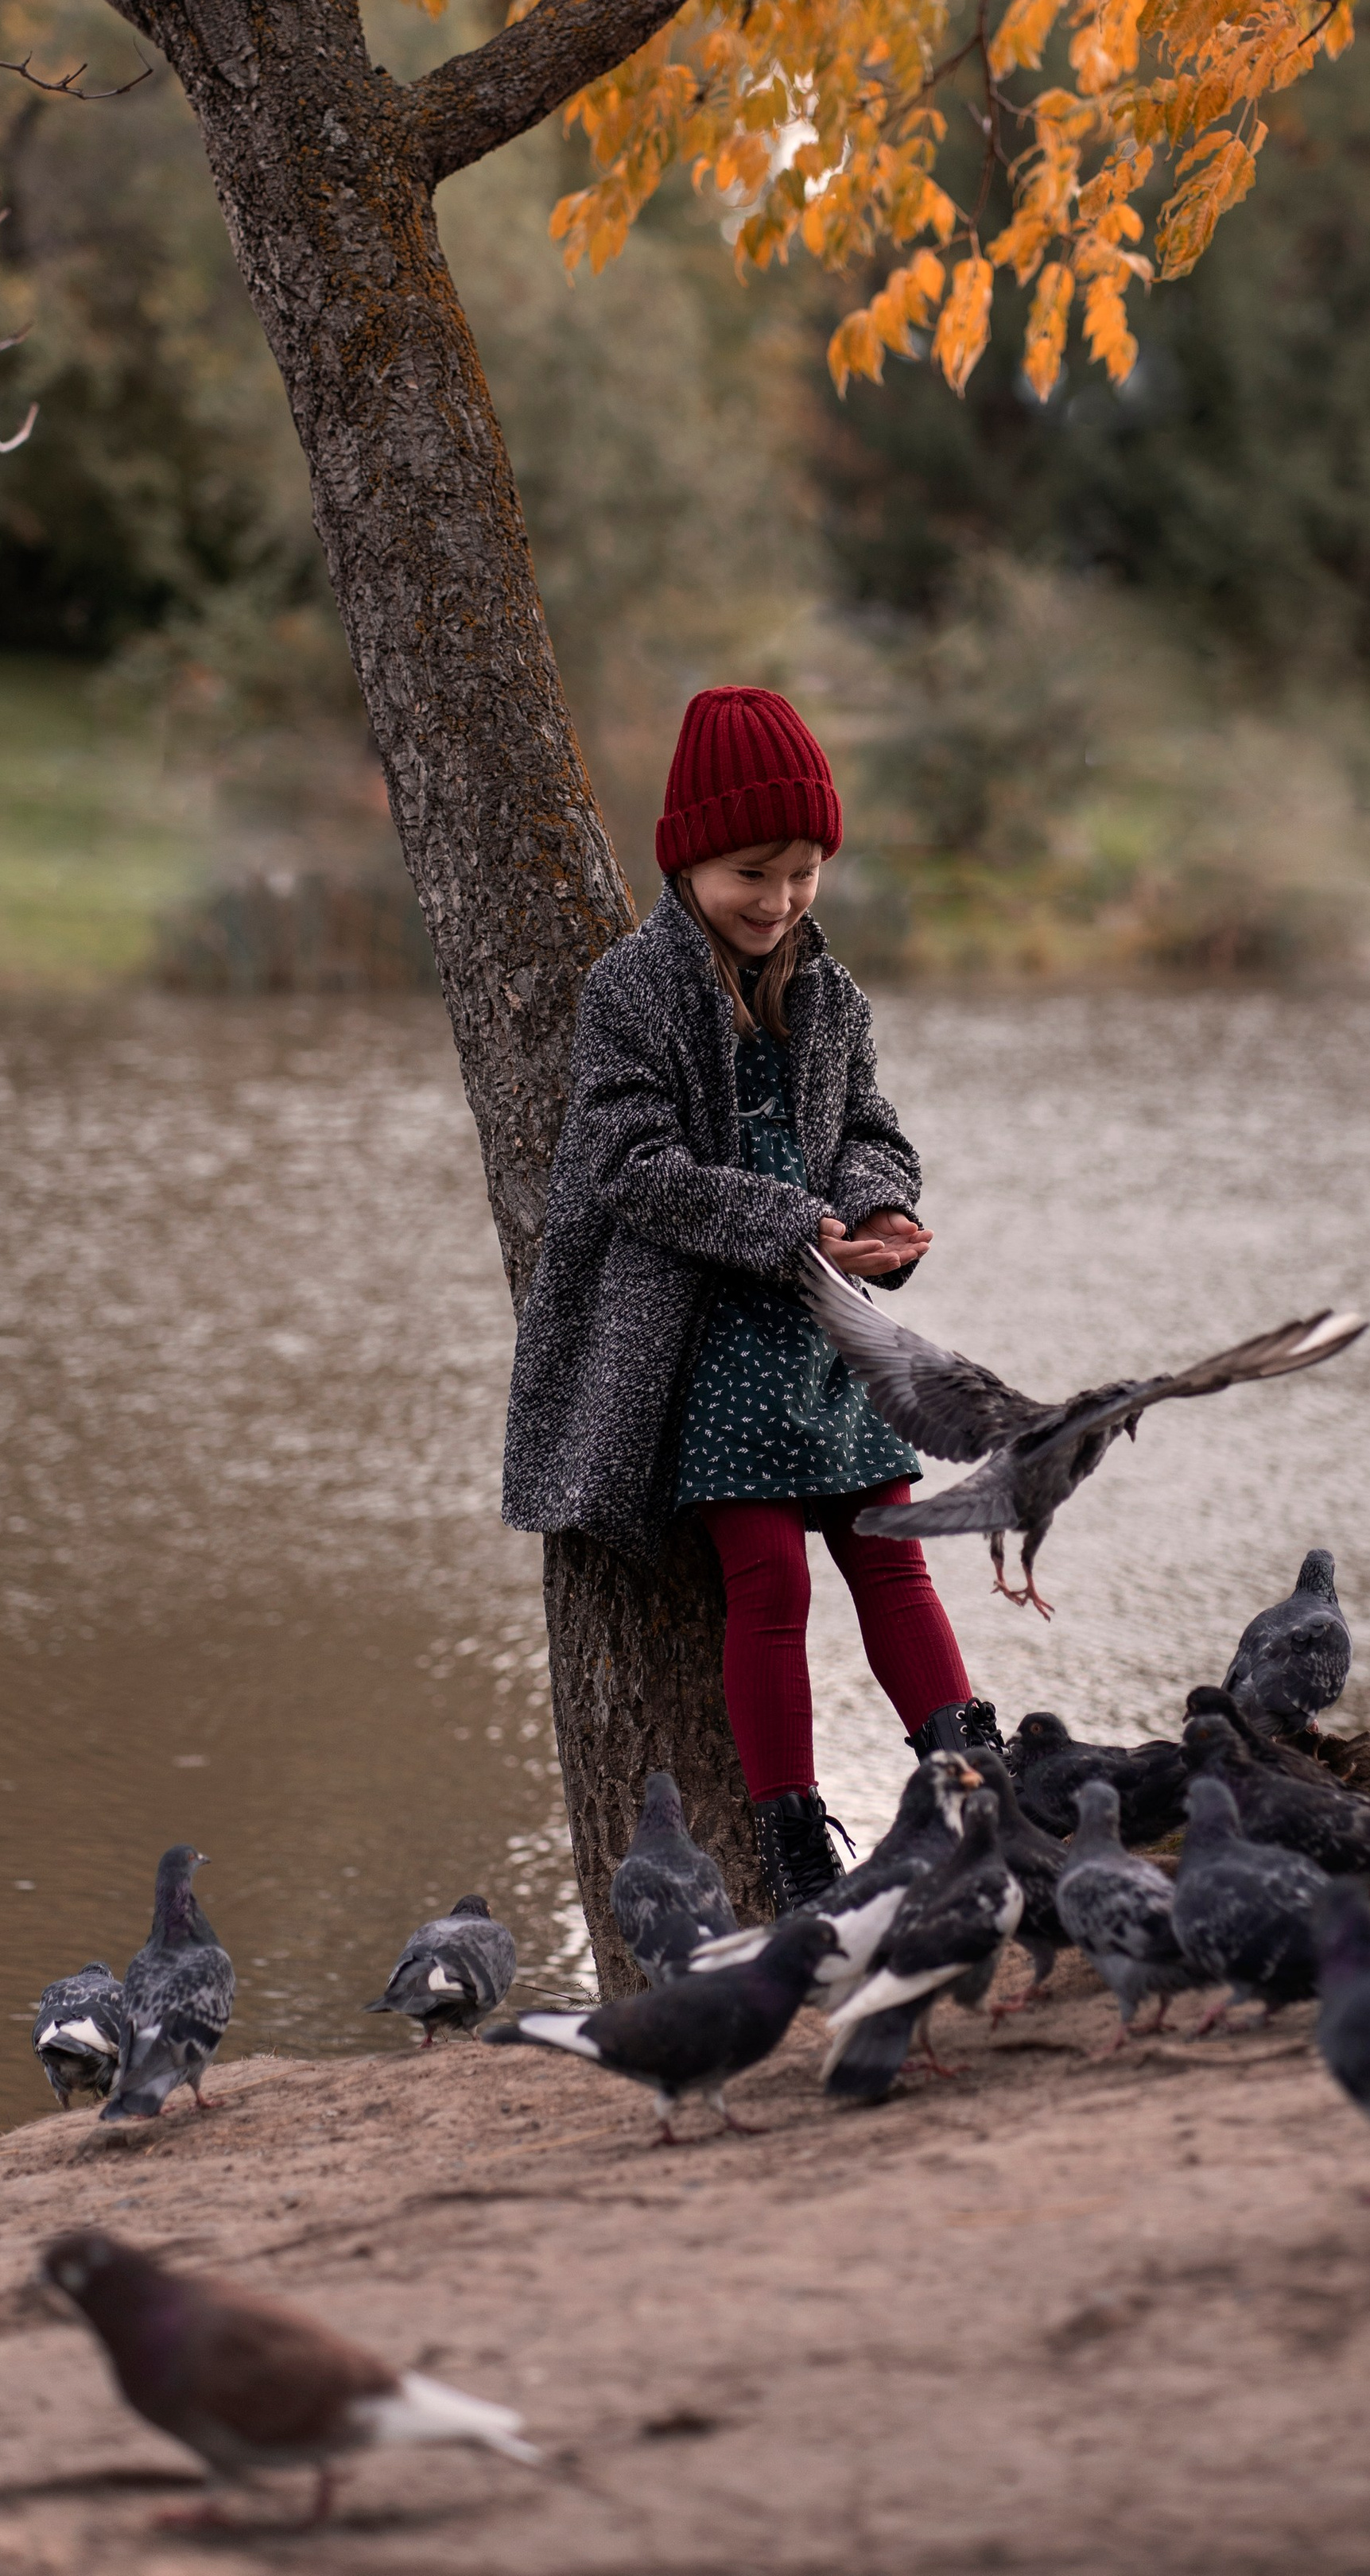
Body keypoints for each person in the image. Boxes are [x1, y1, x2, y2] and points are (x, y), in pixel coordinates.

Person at [503, 684, 999, 1915]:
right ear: (687, 860)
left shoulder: (830, 994)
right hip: (710, 1331)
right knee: (769, 1580)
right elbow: (630, 1172)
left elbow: (875, 1129)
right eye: (750, 873)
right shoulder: (636, 991)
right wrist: (785, 1224)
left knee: (892, 1550)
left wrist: (877, 1210)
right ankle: (794, 1848)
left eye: (804, 872)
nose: (778, 901)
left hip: (825, 1321)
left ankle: (978, 1784)